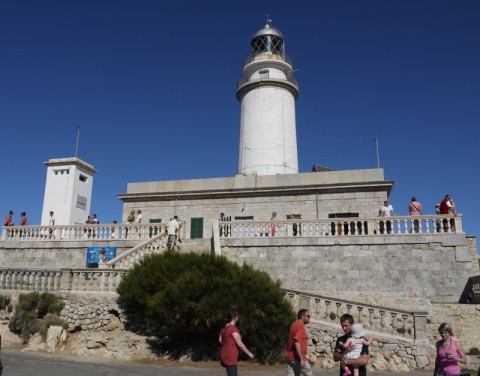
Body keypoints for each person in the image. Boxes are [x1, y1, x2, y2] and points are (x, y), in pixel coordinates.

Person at [219, 311, 254, 376]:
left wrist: (227, 344)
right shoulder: (233, 329)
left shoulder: (223, 328)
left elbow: (220, 340)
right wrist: (249, 353)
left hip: (224, 354)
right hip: (230, 356)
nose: (238, 317)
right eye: (237, 316)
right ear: (234, 318)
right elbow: (240, 344)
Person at [285, 309, 313, 376]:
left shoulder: (293, 325)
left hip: (290, 358)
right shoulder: (300, 325)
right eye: (308, 316)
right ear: (303, 316)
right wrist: (301, 359)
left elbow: (291, 340)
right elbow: (297, 342)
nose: (309, 318)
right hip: (298, 359)